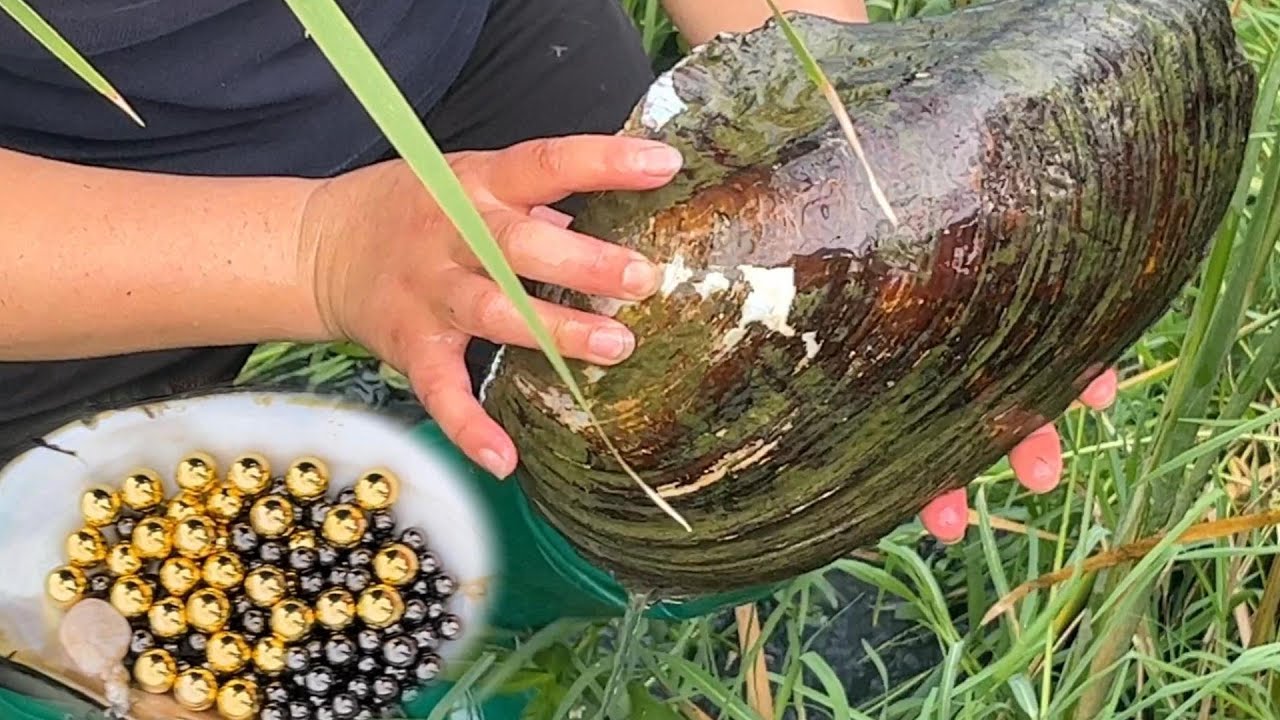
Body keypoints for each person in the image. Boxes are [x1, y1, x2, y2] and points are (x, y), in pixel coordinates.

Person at [0, 0, 1116, 545]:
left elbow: (825, 106)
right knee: (116, 596)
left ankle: (539, 558)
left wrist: (863, 165)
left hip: (475, 41)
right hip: (74, 207)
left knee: (659, 412)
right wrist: (319, 251)